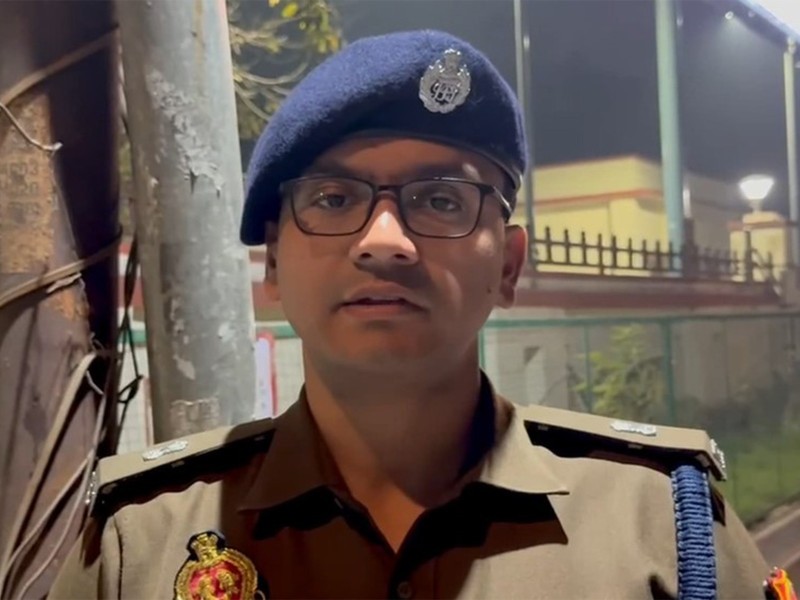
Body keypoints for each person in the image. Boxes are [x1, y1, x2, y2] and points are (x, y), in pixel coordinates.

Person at [49, 29, 790, 600]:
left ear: (508, 265)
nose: (385, 241)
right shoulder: (139, 543)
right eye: (333, 199)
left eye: (440, 200)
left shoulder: (664, 529)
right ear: (272, 264)